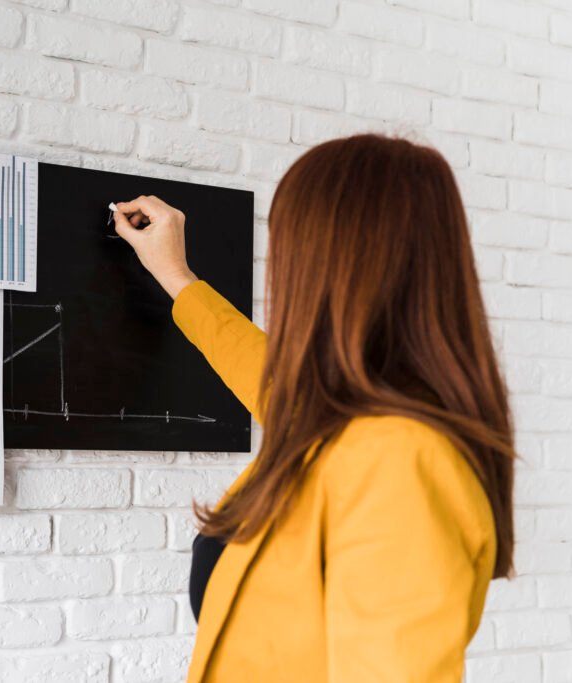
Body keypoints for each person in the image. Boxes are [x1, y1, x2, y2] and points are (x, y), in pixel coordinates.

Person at [110, 132, 515, 683]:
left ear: (330, 263)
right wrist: (177, 277)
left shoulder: (399, 460)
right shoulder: (339, 424)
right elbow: (259, 368)